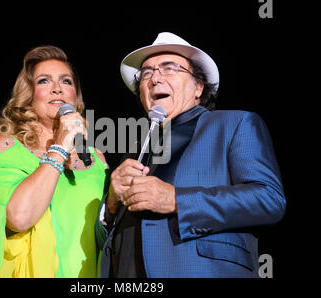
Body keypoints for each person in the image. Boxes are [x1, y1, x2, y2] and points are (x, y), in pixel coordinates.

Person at [96, 32, 286, 278]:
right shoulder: (134, 151)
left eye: (169, 68)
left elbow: (269, 199)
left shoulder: (234, 124)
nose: (155, 79)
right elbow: (104, 242)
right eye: (146, 73)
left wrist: (176, 200)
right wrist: (110, 204)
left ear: (198, 87)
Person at [0, 45, 109, 278]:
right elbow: (20, 217)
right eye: (44, 81)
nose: (57, 89)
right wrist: (59, 148)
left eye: (66, 82)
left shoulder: (96, 159)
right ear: (29, 95)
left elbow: (106, 236)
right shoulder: (7, 147)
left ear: (76, 95)